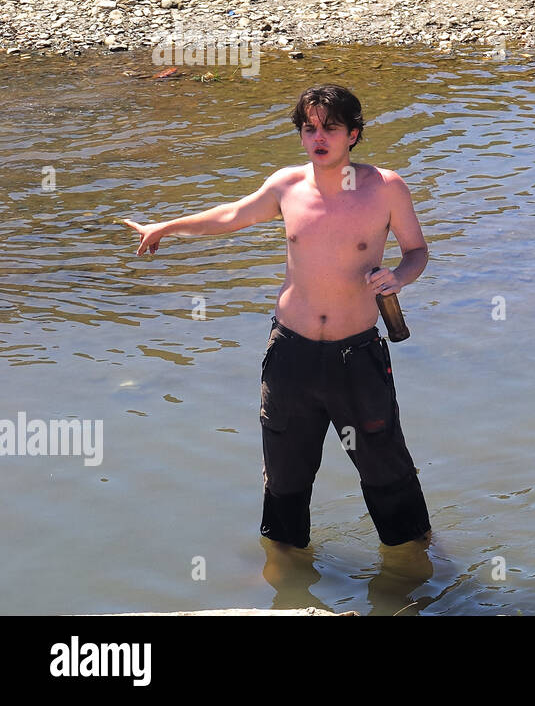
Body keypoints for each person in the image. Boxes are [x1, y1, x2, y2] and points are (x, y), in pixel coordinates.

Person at [124, 84, 432, 548]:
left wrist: (401, 277)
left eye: (330, 127)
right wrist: (167, 227)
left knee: (386, 469)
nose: (318, 137)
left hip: (358, 354)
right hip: (291, 353)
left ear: (353, 133)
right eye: (309, 128)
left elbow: (417, 251)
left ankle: (417, 567)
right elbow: (231, 215)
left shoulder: (385, 187)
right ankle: (286, 574)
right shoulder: (287, 186)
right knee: (285, 478)